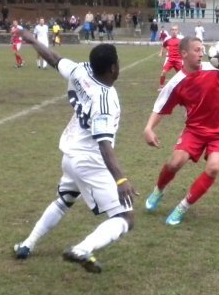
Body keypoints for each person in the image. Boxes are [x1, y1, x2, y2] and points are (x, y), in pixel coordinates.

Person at [12, 30, 134, 273]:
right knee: (126, 218)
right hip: (89, 161)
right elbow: (104, 144)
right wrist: (121, 180)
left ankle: (27, 244)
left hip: (70, 154)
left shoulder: (81, 71)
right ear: (113, 68)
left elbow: (54, 59)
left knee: (65, 199)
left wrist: (33, 40)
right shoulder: (105, 100)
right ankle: (82, 249)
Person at [143, 37, 219, 226]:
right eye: (197, 50)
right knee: (174, 163)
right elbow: (160, 107)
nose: (202, 54)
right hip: (194, 131)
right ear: (184, 53)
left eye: (202, 50)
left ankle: (182, 207)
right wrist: (149, 128)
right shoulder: (176, 83)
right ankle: (159, 190)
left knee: (214, 168)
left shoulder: (217, 68)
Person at [158, 24, 184, 91]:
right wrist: (161, 53)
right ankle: (161, 86)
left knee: (182, 74)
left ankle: (183, 87)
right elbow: (163, 45)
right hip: (170, 59)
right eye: (173, 30)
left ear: (177, 31)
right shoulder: (167, 39)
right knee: (163, 72)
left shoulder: (181, 38)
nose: (174, 31)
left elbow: (186, 46)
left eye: (175, 30)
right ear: (170, 31)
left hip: (179, 59)